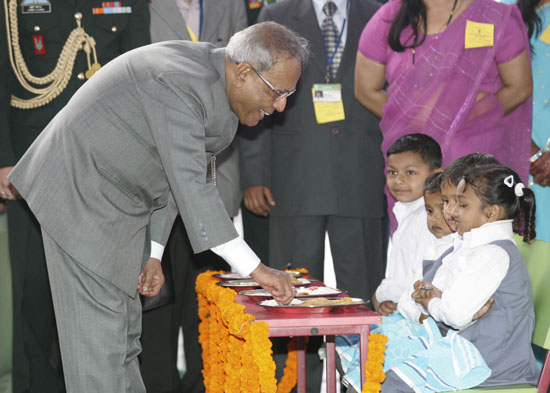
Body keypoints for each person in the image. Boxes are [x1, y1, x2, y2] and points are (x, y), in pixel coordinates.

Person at [7, 21, 308, 392]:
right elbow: (192, 187)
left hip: (119, 202)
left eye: (288, 96)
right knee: (98, 349)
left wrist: (153, 252)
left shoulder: (218, 90)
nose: (280, 106)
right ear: (244, 72)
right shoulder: (180, 82)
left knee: (125, 338)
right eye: (277, 92)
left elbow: (171, 180)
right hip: (80, 194)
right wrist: (256, 269)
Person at [0, 2, 150, 392]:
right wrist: (3, 159)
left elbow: (141, 76)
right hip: (31, 163)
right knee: (33, 292)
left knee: (101, 288)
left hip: (106, 163)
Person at [239, 1, 386, 390]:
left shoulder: (381, 11)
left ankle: (362, 381)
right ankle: (294, 384)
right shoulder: (277, 14)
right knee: (290, 296)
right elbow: (254, 91)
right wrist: (253, 173)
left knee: (363, 294)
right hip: (293, 176)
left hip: (363, 172)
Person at [139, 2, 247, 392]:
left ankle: (207, 385)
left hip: (217, 176)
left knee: (207, 301)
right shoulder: (144, 8)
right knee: (158, 300)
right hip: (158, 180)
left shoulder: (230, 5)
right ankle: (160, 383)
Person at [354, 0, 533, 230]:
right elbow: (365, 89)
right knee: (415, 252)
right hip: (415, 167)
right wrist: (418, 124)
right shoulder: (390, 16)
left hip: (476, 170)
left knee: (475, 253)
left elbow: (520, 87)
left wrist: (466, 114)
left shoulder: (492, 15)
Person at [384, 165, 541, 391]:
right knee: (382, 362)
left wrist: (431, 302)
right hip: (475, 353)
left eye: (462, 205)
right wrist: (440, 301)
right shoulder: (479, 247)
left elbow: (455, 315)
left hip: (489, 365)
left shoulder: (491, 253)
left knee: (392, 381)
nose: (454, 212)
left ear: (491, 212)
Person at [372, 134, 441, 316]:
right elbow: (398, 274)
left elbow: (418, 279)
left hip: (419, 316)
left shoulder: (427, 219)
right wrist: (383, 300)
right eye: (392, 172)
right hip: (402, 309)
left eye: (410, 172)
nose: (399, 180)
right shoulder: (405, 214)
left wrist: (380, 294)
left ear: (435, 175)